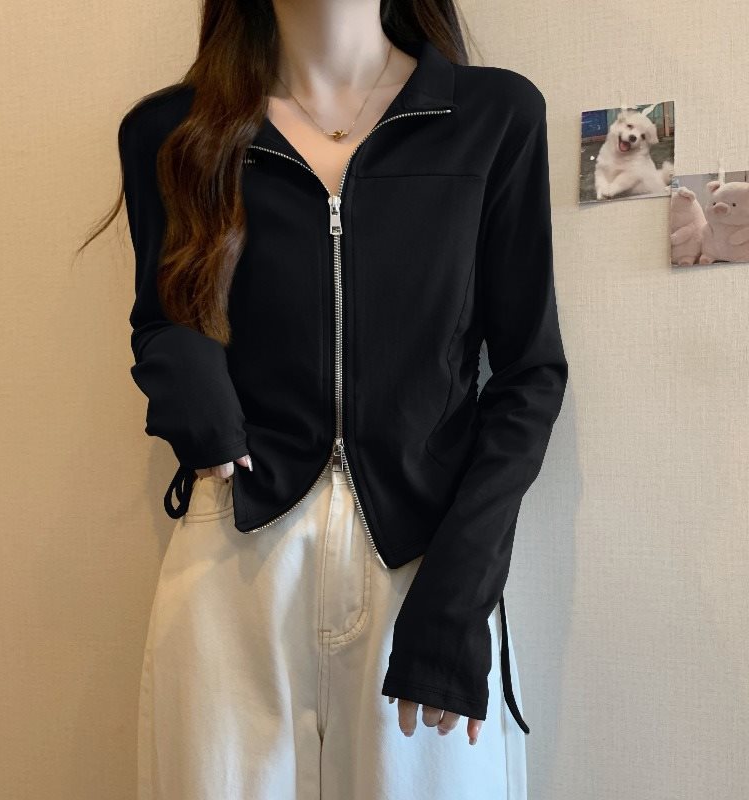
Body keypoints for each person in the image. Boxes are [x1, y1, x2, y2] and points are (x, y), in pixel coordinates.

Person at [82, 2, 568, 798]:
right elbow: (161, 314)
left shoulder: (493, 116)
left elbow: (529, 372)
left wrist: (460, 588)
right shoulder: (171, 130)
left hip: (423, 558)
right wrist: (189, 387)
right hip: (235, 543)